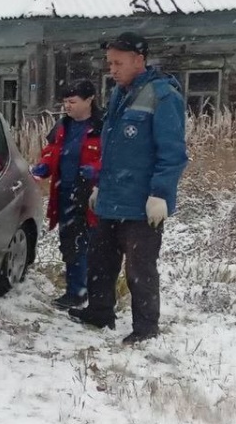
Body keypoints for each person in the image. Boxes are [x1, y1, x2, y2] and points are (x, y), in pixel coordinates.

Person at [69, 32, 189, 345]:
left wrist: (160, 194)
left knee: (140, 269)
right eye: (109, 62)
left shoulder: (163, 96)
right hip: (112, 197)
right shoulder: (120, 94)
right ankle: (100, 311)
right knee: (101, 261)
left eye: (118, 62)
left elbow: (173, 152)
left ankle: (146, 328)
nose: (112, 68)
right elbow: (114, 149)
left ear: (139, 60)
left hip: (142, 203)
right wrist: (99, 187)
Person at [29, 79, 103, 310]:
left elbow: (115, 159)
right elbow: (52, 151)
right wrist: (45, 166)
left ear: (89, 100)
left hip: (92, 195)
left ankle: (95, 293)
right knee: (70, 243)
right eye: (65, 102)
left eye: (73, 101)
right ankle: (75, 291)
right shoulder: (63, 126)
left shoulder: (103, 127)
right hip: (64, 193)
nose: (67, 106)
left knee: (91, 245)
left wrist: (96, 171)